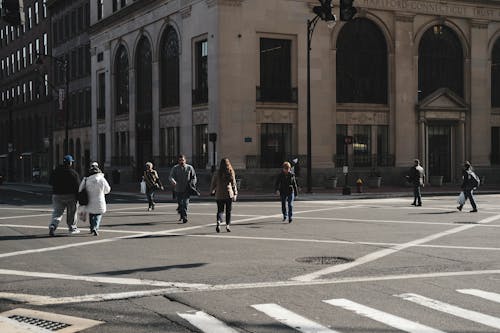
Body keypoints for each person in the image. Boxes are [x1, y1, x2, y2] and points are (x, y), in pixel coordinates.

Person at [48, 155, 81, 236]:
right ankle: (72, 228)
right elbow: (78, 186)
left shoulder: (56, 171)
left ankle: (53, 225)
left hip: (57, 195)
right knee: (72, 213)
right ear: (70, 163)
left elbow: (50, 182)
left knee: (57, 213)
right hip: (70, 195)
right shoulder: (73, 173)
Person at [78, 163, 111, 236]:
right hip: (99, 199)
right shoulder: (102, 179)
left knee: (91, 214)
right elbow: (108, 189)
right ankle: (95, 227)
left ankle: (92, 227)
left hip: (89, 199)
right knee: (98, 214)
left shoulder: (86, 179)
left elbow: (80, 189)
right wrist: (103, 192)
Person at [210, 158, 238, 233]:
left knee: (220, 210)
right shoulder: (230, 172)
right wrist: (235, 193)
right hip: (228, 194)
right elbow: (234, 184)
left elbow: (213, 183)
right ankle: (227, 225)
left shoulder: (217, 173)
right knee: (228, 211)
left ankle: (219, 222)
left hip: (219, 194)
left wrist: (212, 190)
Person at [169, 155, 197, 223]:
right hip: (178, 189)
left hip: (187, 188)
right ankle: (181, 213)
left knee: (185, 203)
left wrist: (192, 183)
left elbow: (194, 177)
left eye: (183, 160)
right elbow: (171, 176)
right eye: (180, 160)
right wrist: (173, 181)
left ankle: (184, 217)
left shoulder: (190, 168)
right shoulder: (175, 168)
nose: (182, 162)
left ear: (185, 160)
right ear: (178, 161)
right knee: (180, 203)